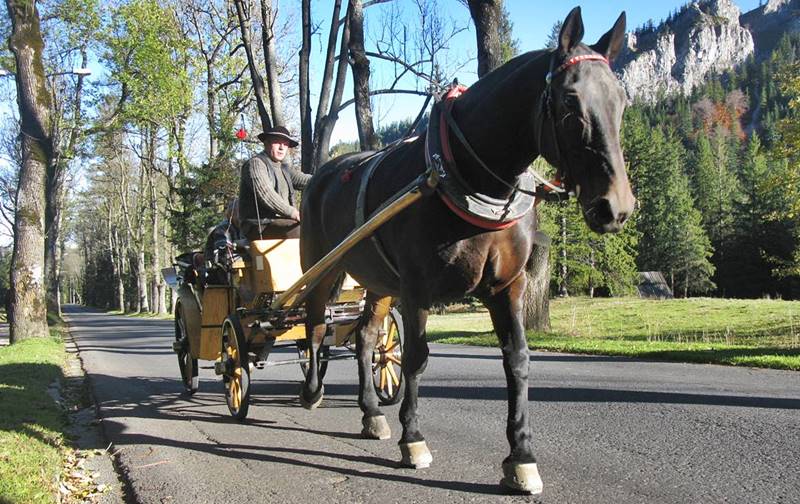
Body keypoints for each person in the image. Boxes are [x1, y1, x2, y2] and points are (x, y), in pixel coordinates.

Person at [238, 126, 311, 239]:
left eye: (285, 144)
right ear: (266, 143)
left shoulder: (284, 169)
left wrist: (334, 174)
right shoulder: (255, 164)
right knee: (304, 230)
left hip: (281, 223)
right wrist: (294, 213)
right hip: (259, 225)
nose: (282, 147)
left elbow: (307, 180)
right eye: (277, 142)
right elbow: (267, 195)